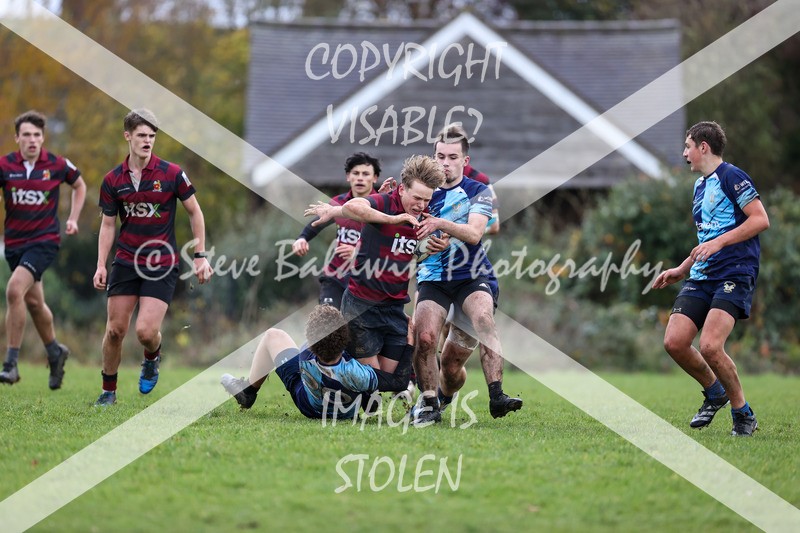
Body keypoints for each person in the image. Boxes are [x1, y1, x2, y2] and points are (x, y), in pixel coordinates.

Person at [652, 121, 768, 437]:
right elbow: (707, 237)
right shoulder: (700, 186)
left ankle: (743, 415)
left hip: (734, 272)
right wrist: (682, 267)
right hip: (702, 275)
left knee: (710, 346)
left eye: (688, 146)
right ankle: (714, 391)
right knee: (674, 342)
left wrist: (719, 243)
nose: (684, 153)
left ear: (703, 147)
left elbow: (760, 220)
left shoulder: (733, 177)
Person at [92, 109, 213, 406]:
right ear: (128, 136)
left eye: (152, 136)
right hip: (125, 260)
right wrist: (100, 264)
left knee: (145, 332)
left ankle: (152, 356)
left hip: (162, 263)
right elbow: (108, 225)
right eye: (142, 136)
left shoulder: (171, 174)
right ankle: (108, 392)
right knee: (115, 330)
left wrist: (200, 255)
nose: (147, 141)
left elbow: (195, 212)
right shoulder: (112, 180)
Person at [412, 124, 522, 425]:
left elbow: (474, 234)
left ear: (465, 161)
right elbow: (408, 239)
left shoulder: (478, 190)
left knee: (459, 352)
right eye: (439, 156)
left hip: (472, 277)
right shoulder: (422, 193)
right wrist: (424, 245)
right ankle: (431, 403)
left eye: (451, 156)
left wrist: (439, 225)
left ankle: (497, 395)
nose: (444, 162)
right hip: (433, 278)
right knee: (424, 337)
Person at [304, 155, 446, 374]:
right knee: (372, 378)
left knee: (386, 376)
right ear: (401, 189)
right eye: (417, 198)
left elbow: (411, 254)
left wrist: (433, 248)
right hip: (362, 304)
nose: (421, 205)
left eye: (427, 200)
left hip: (393, 306)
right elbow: (353, 207)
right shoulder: (386, 203)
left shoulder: (426, 215)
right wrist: (394, 219)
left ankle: (344, 381)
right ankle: (315, 372)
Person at [0, 110, 86, 389]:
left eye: (37, 135)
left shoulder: (56, 164)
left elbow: (80, 185)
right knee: (34, 303)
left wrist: (72, 217)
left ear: (43, 138)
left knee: (14, 290)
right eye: (26, 135)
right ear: (17, 138)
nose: (33, 140)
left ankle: (10, 364)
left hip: (44, 241)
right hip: (14, 245)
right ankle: (55, 352)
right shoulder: (5, 165)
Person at [220, 305, 413, 419]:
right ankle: (368, 399)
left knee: (273, 335)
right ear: (344, 339)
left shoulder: (305, 356)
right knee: (365, 358)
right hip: (346, 413)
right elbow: (399, 382)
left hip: (309, 405)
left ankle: (248, 392)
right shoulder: (358, 371)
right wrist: (410, 345)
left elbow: (309, 344)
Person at [292, 152, 380, 309]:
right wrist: (302, 238)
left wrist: (357, 253)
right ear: (348, 176)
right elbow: (317, 223)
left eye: (365, 174)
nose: (360, 178)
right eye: (355, 173)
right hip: (335, 276)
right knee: (326, 323)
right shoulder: (339, 202)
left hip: (366, 279)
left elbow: (390, 245)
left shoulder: (382, 206)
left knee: (355, 330)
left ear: (375, 178)